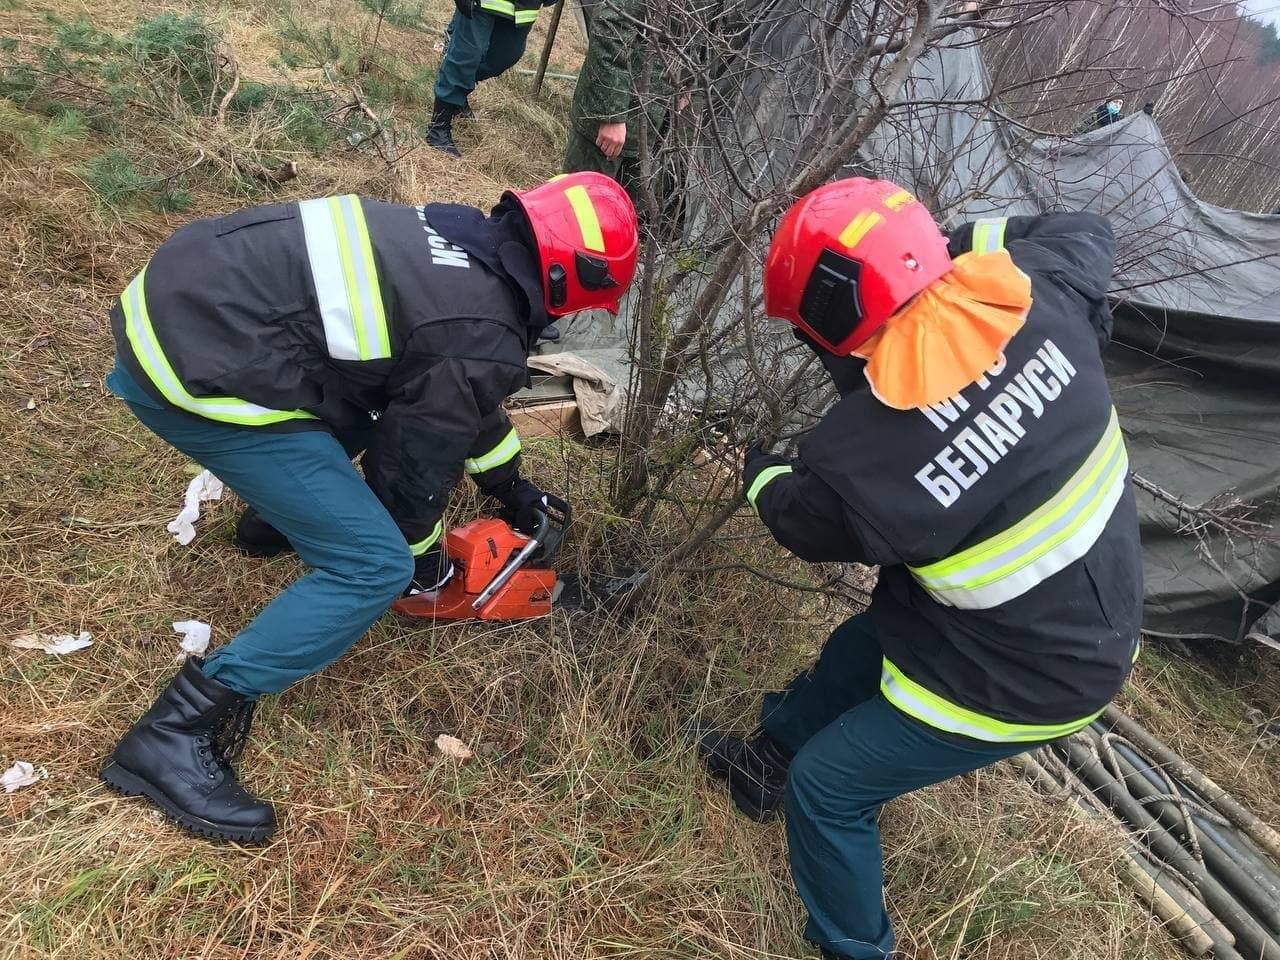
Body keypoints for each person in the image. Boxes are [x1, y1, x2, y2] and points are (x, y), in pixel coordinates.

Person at [99, 173, 639, 843]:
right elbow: (412, 475)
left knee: (369, 396)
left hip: (183, 300)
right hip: (191, 368)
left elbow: (453, 391)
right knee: (371, 564)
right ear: (570, 284)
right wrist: (423, 564)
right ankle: (174, 732)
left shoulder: (454, 242)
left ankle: (280, 520)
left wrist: (510, 486)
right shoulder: (476, 328)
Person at [699, 178, 1142, 959]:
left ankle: (856, 948)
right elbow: (1086, 228)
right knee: (859, 653)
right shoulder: (1043, 292)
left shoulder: (870, 456)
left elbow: (797, 519)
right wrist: (948, 250)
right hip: (1075, 610)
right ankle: (765, 763)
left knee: (830, 790)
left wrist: (759, 466)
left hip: (1037, 675)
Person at [563, 0, 683, 225]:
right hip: (610, 121)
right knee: (578, 214)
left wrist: (686, 83)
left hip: (652, 126)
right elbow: (610, 24)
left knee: (617, 223)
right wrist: (612, 114)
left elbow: (701, 35)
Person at [426, 0, 556, 157]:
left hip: (523, 7)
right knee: (467, 55)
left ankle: (457, 92)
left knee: (506, 56)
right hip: (481, 4)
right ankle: (438, 128)